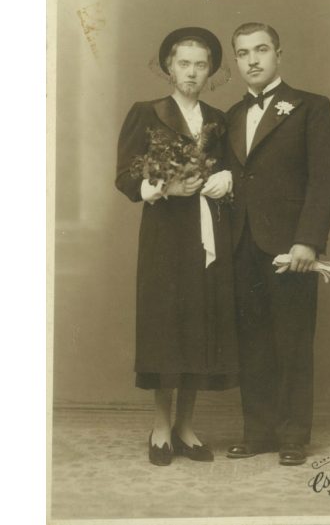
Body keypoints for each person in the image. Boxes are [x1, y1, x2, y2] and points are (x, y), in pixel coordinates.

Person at [115, 27, 237, 466]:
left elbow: (230, 170)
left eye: (200, 65)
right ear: (169, 66)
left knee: (200, 325)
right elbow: (126, 177)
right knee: (166, 326)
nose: (191, 72)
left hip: (208, 234)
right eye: (183, 63)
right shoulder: (146, 112)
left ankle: (187, 426)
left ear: (211, 71)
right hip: (165, 235)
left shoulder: (218, 119)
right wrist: (164, 186)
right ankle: (161, 428)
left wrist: (225, 180)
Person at [224, 22, 330, 466]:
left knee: (292, 341)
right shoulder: (231, 115)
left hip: (290, 247)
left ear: (278, 54)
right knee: (251, 343)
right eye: (242, 53)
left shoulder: (310, 106)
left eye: (261, 50)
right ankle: (259, 434)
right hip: (241, 244)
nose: (252, 60)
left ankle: (293, 436)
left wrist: (308, 241)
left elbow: (324, 180)